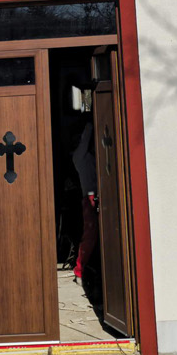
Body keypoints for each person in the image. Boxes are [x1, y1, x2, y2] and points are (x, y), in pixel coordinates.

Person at [71, 120, 99, 285]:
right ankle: (79, 271)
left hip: (96, 196)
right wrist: (90, 122)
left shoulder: (90, 155)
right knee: (90, 235)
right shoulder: (78, 156)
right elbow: (86, 137)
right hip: (89, 198)